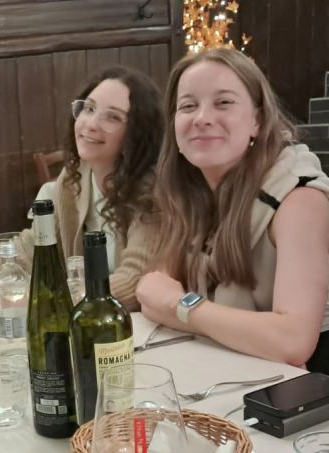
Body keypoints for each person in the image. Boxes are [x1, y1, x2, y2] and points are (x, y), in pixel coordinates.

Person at [136, 48, 329, 372]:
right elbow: (151, 294)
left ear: (258, 121)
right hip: (231, 370)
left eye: (223, 102)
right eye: (188, 106)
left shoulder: (300, 199)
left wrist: (181, 306)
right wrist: (177, 307)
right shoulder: (190, 195)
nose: (202, 118)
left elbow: (293, 342)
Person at [0, 65, 164, 310]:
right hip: (91, 320)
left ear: (138, 133)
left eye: (113, 117)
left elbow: (134, 281)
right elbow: (34, 246)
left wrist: (49, 302)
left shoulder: (154, 192)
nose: (91, 124)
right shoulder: (75, 178)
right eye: (89, 108)